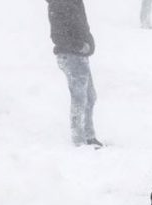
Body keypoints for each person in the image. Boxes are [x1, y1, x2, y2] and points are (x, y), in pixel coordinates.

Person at [46, 0, 102, 148]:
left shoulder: (75, 2)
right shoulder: (58, 3)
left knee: (90, 97)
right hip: (70, 56)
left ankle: (89, 136)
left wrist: (89, 44)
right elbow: (57, 36)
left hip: (80, 56)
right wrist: (78, 46)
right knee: (80, 98)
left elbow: (83, 28)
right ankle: (79, 140)